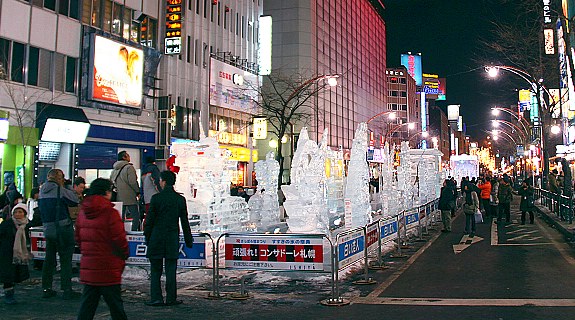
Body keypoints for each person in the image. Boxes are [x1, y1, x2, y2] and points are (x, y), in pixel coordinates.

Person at [75, 178, 129, 320]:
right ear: (106, 192)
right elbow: (119, 240)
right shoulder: (110, 213)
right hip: (108, 268)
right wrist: (124, 255)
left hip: (89, 268)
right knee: (116, 308)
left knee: (87, 308)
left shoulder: (82, 212)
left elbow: (79, 239)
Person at [144, 171, 193, 307]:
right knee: (171, 270)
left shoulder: (156, 198)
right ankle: (171, 298)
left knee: (156, 270)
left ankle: (156, 298)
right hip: (172, 238)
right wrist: (189, 240)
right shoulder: (179, 199)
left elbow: (149, 221)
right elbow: (184, 222)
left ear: (164, 181)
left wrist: (147, 237)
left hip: (156, 238)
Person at [39, 168, 79, 300]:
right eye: (62, 177)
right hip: (62, 228)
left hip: (48, 229)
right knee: (66, 259)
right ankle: (66, 289)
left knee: (49, 259)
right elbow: (74, 200)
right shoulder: (59, 190)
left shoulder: (42, 191)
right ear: (58, 178)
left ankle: (46, 288)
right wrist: (67, 187)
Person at [0, 203, 32, 304]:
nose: (18, 214)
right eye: (16, 212)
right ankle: (9, 296)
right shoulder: (7, 224)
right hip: (6, 253)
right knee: (7, 275)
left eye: (20, 212)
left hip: (19, 255)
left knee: (15, 275)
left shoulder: (27, 225)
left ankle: (10, 294)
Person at [110, 151, 140, 231]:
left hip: (119, 196)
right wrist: (138, 191)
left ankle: (120, 232)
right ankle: (134, 232)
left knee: (120, 217)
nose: (129, 157)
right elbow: (132, 182)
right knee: (135, 216)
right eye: (128, 155)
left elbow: (112, 181)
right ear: (124, 157)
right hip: (129, 196)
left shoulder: (115, 169)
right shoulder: (129, 168)